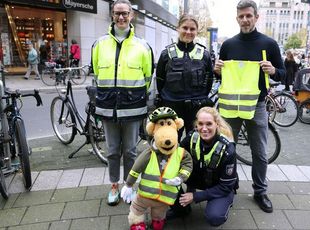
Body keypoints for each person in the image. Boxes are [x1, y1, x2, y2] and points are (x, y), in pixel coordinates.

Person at [213, 0, 285, 213]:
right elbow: (219, 76)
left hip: (257, 106)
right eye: (241, 16)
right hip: (229, 107)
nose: (245, 20)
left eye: (248, 16)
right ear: (237, 18)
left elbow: (283, 74)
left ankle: (260, 191)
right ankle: (225, 188)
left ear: (256, 17)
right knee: (225, 149)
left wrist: (273, 71)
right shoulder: (228, 45)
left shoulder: (269, 44)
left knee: (260, 153)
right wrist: (216, 69)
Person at [91, 0, 154, 206]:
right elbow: (98, 74)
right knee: (111, 151)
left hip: (133, 108)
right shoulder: (99, 44)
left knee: (130, 151)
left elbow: (147, 78)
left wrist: (134, 98)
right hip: (108, 107)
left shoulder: (143, 45)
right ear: (112, 14)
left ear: (131, 15)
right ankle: (113, 185)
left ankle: (129, 186)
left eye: (125, 13)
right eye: (117, 13)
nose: (121, 17)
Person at [166, 106, 238, 227]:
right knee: (165, 171)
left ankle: (224, 201)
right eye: (200, 124)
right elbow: (175, 156)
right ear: (196, 125)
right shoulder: (191, 137)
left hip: (219, 185)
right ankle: (182, 210)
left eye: (209, 124)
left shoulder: (228, 149)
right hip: (198, 178)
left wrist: (196, 196)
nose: (204, 129)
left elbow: (225, 186)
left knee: (214, 217)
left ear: (217, 124)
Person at [156, 14, 214, 140]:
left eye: (192, 29)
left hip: (197, 109)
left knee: (197, 145)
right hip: (173, 108)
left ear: (197, 31)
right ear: (178, 29)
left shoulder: (204, 54)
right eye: (185, 28)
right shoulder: (166, 54)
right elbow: (160, 81)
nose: (188, 32)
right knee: (170, 144)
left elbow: (209, 81)